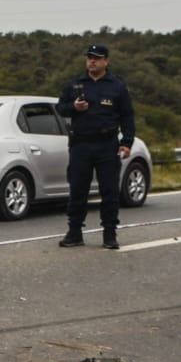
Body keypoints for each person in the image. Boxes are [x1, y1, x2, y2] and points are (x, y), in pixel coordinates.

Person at [56, 44, 135, 249]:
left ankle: (109, 234)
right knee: (77, 190)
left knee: (109, 191)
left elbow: (127, 116)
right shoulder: (75, 85)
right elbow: (60, 108)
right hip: (80, 144)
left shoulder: (117, 86)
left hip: (107, 145)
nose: (92, 61)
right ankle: (74, 233)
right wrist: (73, 107)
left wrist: (127, 142)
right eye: (90, 57)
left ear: (106, 61)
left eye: (97, 58)